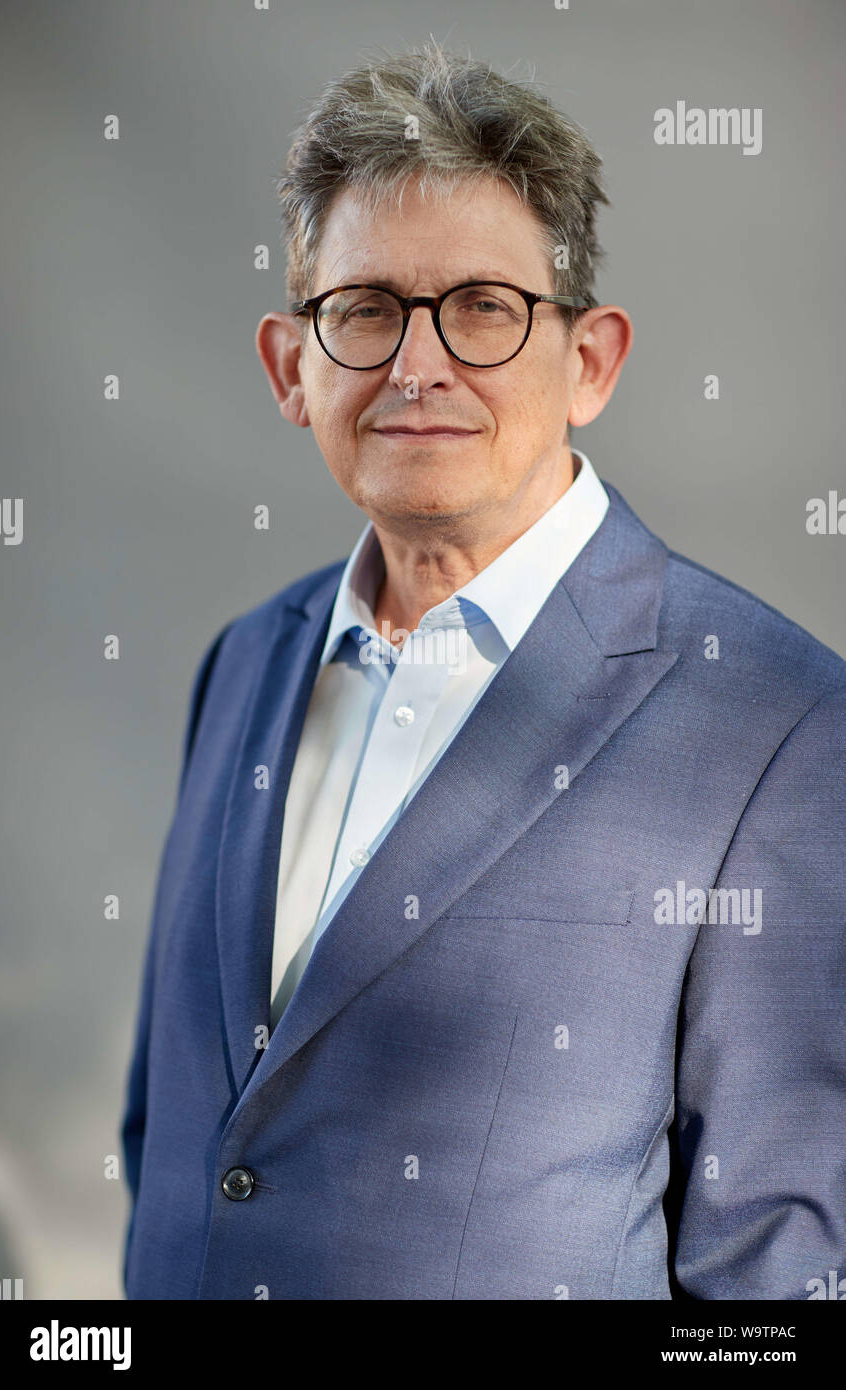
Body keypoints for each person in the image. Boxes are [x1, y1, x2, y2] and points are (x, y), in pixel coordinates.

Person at [121, 40, 846, 1300]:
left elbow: (774, 1281)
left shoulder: (771, 723)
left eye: (482, 308)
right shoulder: (242, 663)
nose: (416, 366)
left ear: (590, 361)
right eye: (362, 310)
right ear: (291, 368)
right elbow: (178, 1139)